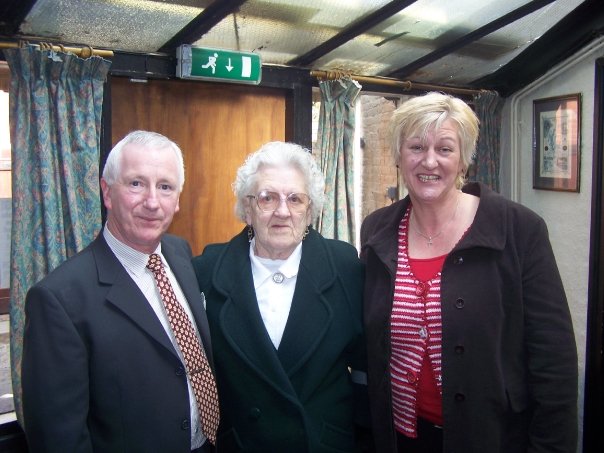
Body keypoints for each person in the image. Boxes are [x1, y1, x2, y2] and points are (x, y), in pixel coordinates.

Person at [360, 92, 578, 453]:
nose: (429, 161)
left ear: (463, 160)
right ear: (399, 156)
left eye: (445, 149)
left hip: (492, 437)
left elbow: (553, 360)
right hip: (403, 438)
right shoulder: (377, 231)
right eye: (416, 146)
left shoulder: (518, 229)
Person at [22, 130, 219, 453]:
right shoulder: (59, 300)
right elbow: (59, 438)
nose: (152, 202)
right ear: (107, 192)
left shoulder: (179, 253)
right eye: (136, 184)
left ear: (178, 199)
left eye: (165, 187)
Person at [192, 141, 369, 452]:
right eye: (267, 198)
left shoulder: (345, 268)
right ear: (247, 208)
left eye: (295, 199)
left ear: (310, 210)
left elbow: (366, 369)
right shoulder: (206, 271)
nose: (282, 211)